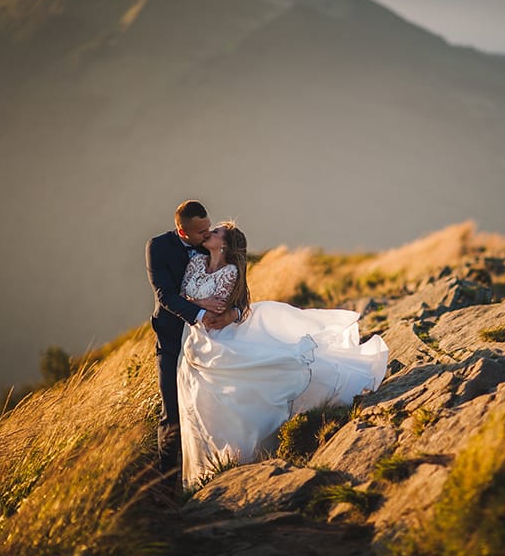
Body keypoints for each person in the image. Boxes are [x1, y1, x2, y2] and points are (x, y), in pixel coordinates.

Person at [177, 221, 389, 490]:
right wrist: (197, 306)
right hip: (194, 340)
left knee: (244, 384)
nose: (210, 233)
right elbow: (182, 294)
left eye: (216, 231)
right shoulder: (196, 262)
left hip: (217, 339)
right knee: (197, 398)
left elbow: (217, 305)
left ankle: (241, 452)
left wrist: (201, 307)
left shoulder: (230, 272)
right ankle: (210, 464)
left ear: (225, 245)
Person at [145, 201, 239, 494]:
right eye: (200, 231)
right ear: (181, 230)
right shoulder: (158, 247)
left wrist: (230, 314)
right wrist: (200, 314)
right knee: (171, 412)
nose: (207, 234)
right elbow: (165, 295)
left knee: (210, 410)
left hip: (211, 347)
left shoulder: (212, 247)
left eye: (209, 228)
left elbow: (239, 295)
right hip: (172, 341)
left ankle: (212, 473)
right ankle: (167, 485)